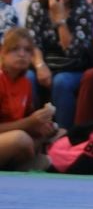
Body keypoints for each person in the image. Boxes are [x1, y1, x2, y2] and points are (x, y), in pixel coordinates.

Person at [25, 0, 93, 128]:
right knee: (28, 77)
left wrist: (60, 19)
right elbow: (33, 43)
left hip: (73, 68)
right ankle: (33, 129)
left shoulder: (83, 8)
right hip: (45, 64)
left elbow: (74, 52)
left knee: (61, 81)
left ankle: (63, 134)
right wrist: (40, 66)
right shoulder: (37, 7)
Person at [0, 28, 58, 169]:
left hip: (12, 137)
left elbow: (25, 120)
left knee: (57, 131)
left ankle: (19, 162)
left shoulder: (26, 83)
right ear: (2, 53)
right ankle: (21, 163)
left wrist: (40, 125)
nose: (22, 54)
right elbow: (25, 124)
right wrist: (30, 122)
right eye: (15, 49)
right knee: (21, 139)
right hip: (11, 137)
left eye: (27, 50)